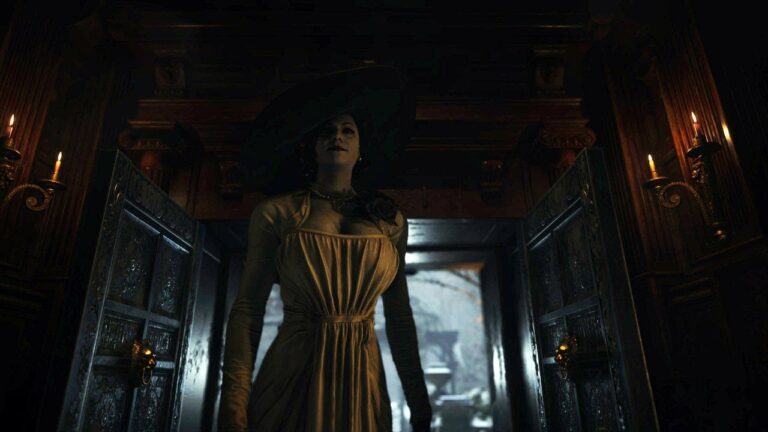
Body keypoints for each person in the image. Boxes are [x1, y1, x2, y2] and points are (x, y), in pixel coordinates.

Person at [219, 66, 433, 432]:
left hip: (362, 377)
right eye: (327, 130)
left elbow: (399, 316)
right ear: (311, 146)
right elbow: (248, 311)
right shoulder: (276, 213)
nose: (337, 136)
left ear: (362, 148)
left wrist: (419, 403)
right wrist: (233, 406)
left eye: (348, 130)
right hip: (291, 373)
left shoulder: (389, 221)